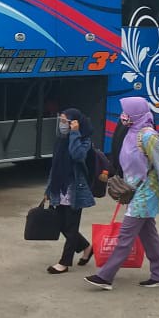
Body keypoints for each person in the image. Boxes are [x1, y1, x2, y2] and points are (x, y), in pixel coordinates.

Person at [85, 97, 159, 291]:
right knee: (149, 235)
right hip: (133, 191)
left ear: (136, 113)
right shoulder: (131, 131)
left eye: (126, 111)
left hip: (146, 193)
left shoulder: (149, 136)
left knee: (125, 235)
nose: (123, 116)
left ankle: (105, 276)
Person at [45, 108, 96, 274]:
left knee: (72, 226)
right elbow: (55, 166)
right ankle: (86, 247)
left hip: (75, 189)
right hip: (59, 187)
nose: (62, 124)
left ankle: (64, 263)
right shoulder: (60, 139)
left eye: (65, 121)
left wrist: (75, 134)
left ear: (75, 123)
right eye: (61, 120)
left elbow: (77, 155)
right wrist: (48, 188)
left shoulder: (84, 140)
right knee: (60, 224)